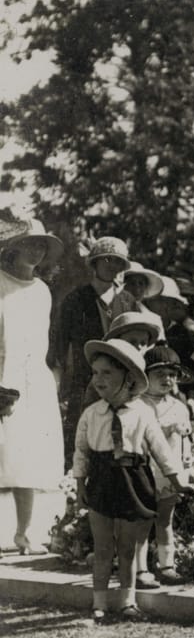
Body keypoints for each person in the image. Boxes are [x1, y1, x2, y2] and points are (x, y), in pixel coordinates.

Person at [73, 338, 187, 622]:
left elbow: (161, 450)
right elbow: (81, 452)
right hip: (100, 480)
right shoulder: (91, 414)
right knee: (102, 547)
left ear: (128, 377)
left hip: (132, 480)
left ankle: (127, 601)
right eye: (95, 372)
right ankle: (99, 603)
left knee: (127, 547)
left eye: (106, 373)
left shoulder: (142, 413)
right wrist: (79, 485)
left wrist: (178, 481)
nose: (98, 379)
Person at [0, 218, 65, 554]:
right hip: (1, 376)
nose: (36, 251)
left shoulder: (42, 291)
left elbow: (41, 342)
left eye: (41, 245)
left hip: (33, 380)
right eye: (29, 243)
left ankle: (23, 534)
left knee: (26, 458)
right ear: (14, 246)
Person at [49, 236, 129, 456]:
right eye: (107, 260)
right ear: (94, 263)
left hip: (121, 381)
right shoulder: (76, 300)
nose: (112, 265)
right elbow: (60, 344)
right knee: (81, 438)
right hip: (84, 380)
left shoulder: (128, 302)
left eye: (118, 261)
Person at [139, 346, 193, 586]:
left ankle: (167, 565)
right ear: (145, 376)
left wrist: (186, 466)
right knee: (141, 522)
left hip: (170, 474)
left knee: (165, 520)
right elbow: (141, 436)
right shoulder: (139, 405)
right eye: (159, 373)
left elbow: (185, 442)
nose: (167, 379)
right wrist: (166, 429)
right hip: (144, 471)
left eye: (172, 374)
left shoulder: (180, 407)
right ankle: (139, 569)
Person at [145, 275, 194, 402]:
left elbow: (193, 370)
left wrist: (192, 399)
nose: (165, 305)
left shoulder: (184, 334)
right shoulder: (143, 330)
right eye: (159, 300)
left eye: (169, 301)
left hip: (179, 398)